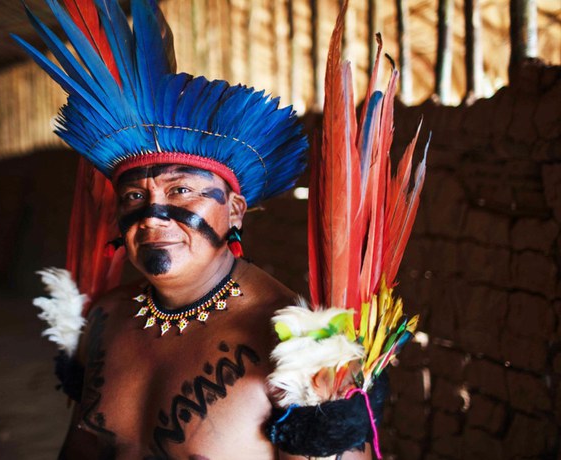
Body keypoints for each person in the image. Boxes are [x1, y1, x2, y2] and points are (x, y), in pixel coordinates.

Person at [19, 1, 380, 458]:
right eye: (134, 197)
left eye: (182, 191)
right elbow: (83, 444)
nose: (152, 215)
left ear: (234, 210)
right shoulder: (105, 318)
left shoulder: (299, 352)